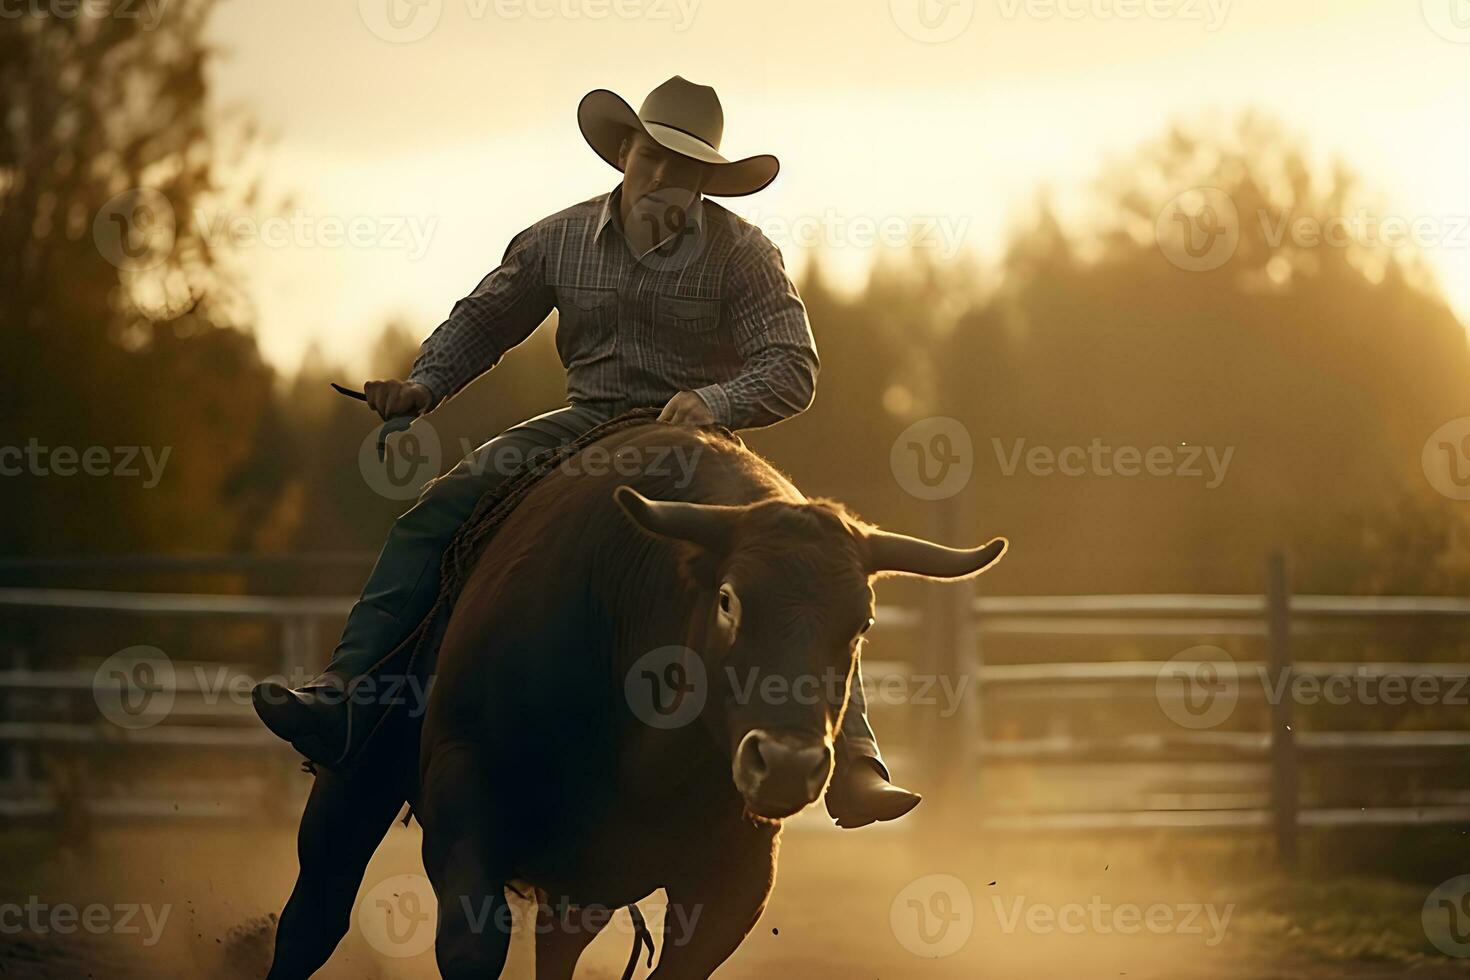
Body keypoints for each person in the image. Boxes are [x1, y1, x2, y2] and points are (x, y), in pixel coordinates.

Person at [252, 76, 919, 829]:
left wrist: (714, 402)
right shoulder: (557, 239)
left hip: (699, 449)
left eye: (686, 167)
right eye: (651, 156)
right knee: (434, 511)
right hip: (585, 426)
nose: (663, 176)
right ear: (624, 152)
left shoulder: (743, 255)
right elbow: (487, 318)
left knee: (808, 559)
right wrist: (425, 383)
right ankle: (349, 696)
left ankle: (854, 763)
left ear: (707, 181)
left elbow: (791, 365)